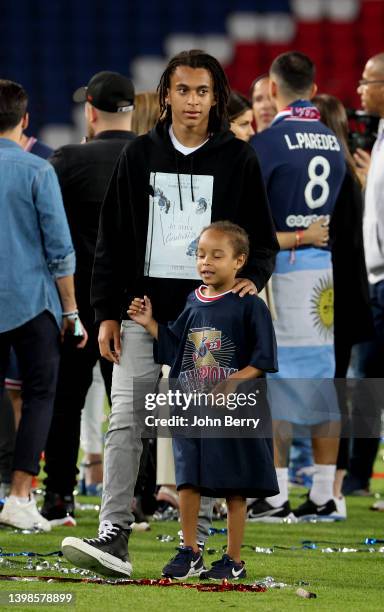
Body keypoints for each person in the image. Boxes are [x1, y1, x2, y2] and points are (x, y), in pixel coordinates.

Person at [61, 48, 279, 578]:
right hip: (141, 311)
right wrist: (106, 313)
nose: (193, 101)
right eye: (183, 90)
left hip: (209, 321)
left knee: (198, 425)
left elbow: (263, 241)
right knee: (127, 421)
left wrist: (256, 276)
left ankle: (197, 544)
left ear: (216, 97)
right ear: (166, 95)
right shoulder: (137, 155)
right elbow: (112, 240)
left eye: (203, 91)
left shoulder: (239, 159)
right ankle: (114, 533)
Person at [127, 221, 278, 580]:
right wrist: (150, 325)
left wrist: (233, 381)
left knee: (234, 485)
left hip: (233, 414)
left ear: (239, 261)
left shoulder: (250, 305)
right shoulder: (193, 299)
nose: (206, 262)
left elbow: (264, 359)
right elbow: (177, 345)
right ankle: (190, 550)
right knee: (187, 481)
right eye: (200, 254)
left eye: (216, 255)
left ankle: (233, 560)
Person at [249, 52, 346, 522]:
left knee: (277, 382)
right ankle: (326, 494)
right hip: (322, 274)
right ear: (313, 85)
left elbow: (253, 221)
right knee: (322, 383)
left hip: (284, 270)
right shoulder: (331, 140)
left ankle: (276, 493)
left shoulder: (268, 143)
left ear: (272, 86)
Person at [41, 71, 137, 526]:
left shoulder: (68, 159)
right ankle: (137, 498)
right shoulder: (151, 156)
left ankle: (59, 496)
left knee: (67, 401)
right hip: (137, 305)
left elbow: (49, 232)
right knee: (133, 404)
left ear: (91, 111)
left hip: (79, 306)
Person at [0, 79, 85, 531]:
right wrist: (71, 311)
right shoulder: (37, 169)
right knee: (39, 396)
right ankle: (19, 495)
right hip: (33, 304)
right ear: (25, 120)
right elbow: (60, 249)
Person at [312, 93, 373, 510]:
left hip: (335, 296)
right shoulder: (349, 175)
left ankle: (336, 485)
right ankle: (342, 481)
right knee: (352, 388)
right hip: (352, 295)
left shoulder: (339, 178)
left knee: (342, 389)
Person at [341, 53, 384, 497]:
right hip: (376, 281)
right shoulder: (379, 138)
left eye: (368, 82)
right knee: (367, 383)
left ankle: (356, 474)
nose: (360, 90)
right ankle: (355, 476)